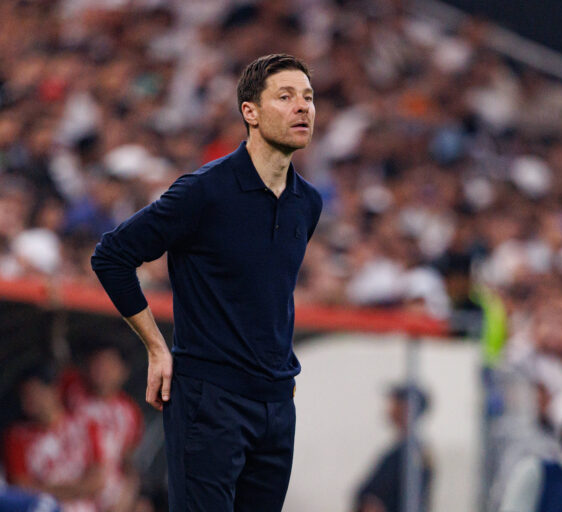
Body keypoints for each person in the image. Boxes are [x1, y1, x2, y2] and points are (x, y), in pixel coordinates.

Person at [90, 53, 323, 511]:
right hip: (209, 400)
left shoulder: (307, 203)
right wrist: (157, 347)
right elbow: (112, 256)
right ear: (249, 113)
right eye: (286, 96)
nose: (303, 107)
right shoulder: (204, 191)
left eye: (309, 97)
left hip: (277, 403)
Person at [3, 366, 105, 512]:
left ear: (54, 390)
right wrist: (77, 489)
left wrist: (44, 489)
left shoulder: (86, 425)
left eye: (35, 392)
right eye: (25, 395)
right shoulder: (16, 437)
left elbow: (98, 480)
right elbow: (21, 489)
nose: (30, 401)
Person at [59, 343, 144, 512]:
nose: (101, 370)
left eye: (109, 364)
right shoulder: (71, 387)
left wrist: (129, 494)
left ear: (123, 371)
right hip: (68, 484)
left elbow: (127, 461)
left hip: (108, 494)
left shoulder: (129, 411)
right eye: (97, 363)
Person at [354, 385, 433, 512]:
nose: (389, 408)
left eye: (395, 403)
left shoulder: (409, 454)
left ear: (406, 408)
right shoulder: (406, 451)